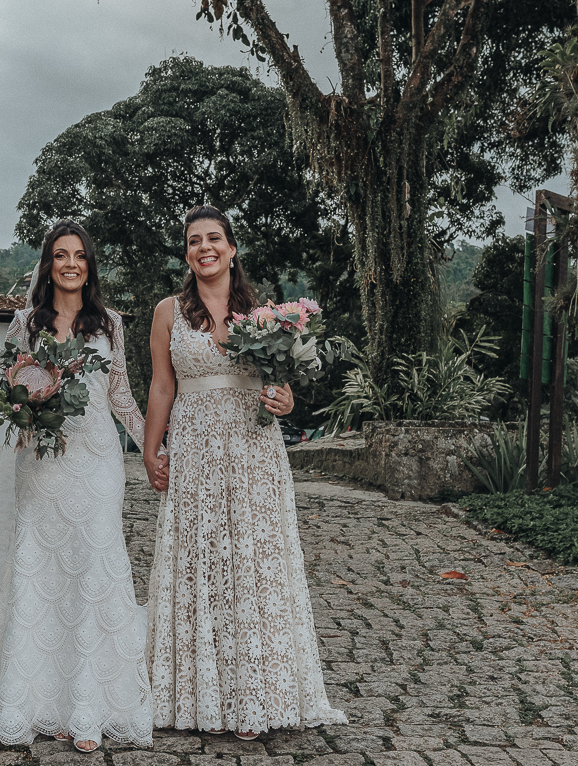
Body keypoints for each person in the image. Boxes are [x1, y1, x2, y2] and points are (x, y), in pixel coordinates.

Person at [141, 205, 347, 738]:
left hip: (253, 449)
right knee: (200, 562)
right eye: (193, 241)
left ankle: (256, 696)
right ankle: (194, 696)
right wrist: (150, 449)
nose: (204, 248)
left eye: (214, 239)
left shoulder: (265, 313)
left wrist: (286, 399)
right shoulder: (168, 311)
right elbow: (162, 385)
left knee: (253, 564)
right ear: (186, 252)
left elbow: (283, 381)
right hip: (194, 449)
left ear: (232, 248)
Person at [0, 220, 161, 752]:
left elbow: (120, 396)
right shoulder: (25, 323)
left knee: (94, 569)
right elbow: (9, 386)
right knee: (43, 569)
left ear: (89, 265)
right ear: (48, 265)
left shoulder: (111, 324)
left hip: (97, 462)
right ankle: (41, 702)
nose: (70, 264)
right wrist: (23, 414)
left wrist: (150, 446)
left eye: (79, 256)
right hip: (44, 466)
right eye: (60, 255)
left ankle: (90, 705)